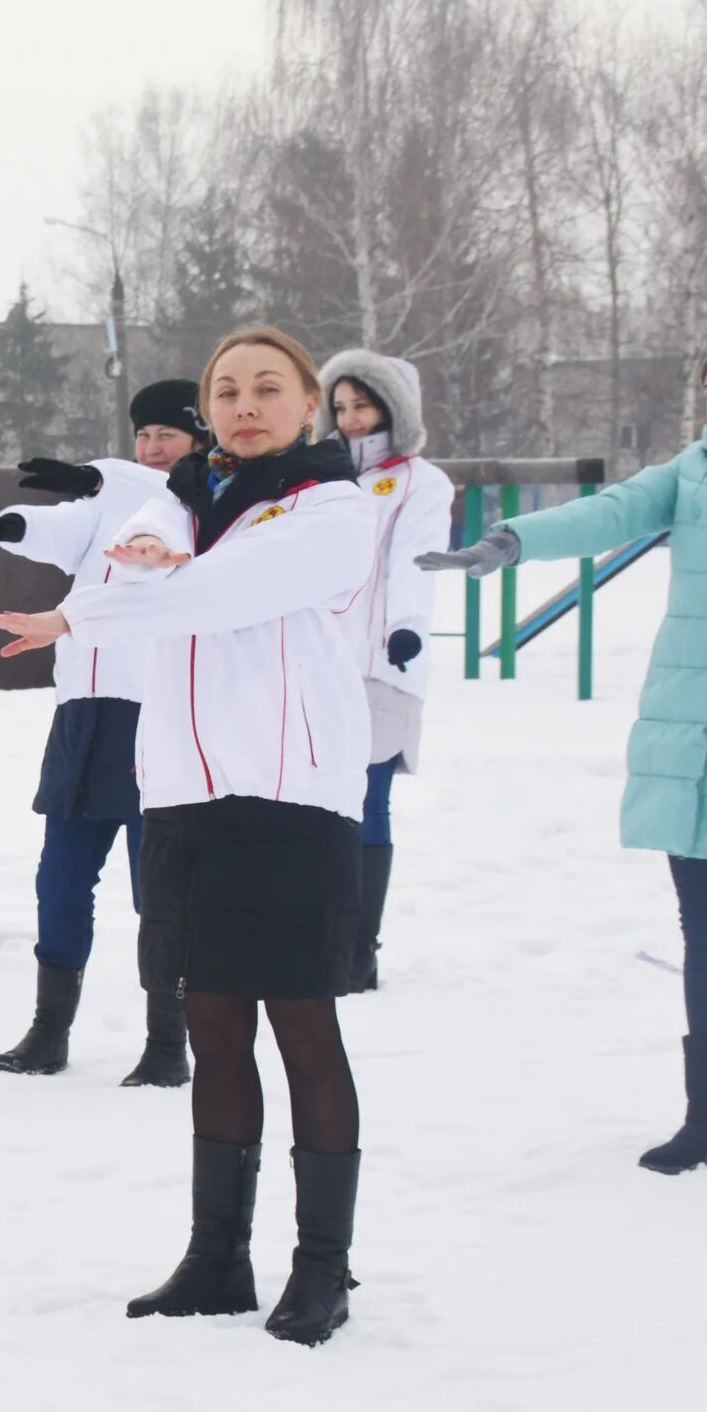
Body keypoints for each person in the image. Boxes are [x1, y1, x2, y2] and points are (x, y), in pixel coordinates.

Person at [0, 328, 378, 1346]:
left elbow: (222, 589)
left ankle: (322, 1267)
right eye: (228, 390)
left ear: (311, 402)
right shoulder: (188, 495)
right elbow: (151, 531)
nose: (246, 405)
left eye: (268, 389)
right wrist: (146, 549)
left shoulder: (333, 510)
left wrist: (85, 616)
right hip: (186, 795)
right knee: (212, 1027)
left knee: (302, 1031)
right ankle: (216, 1257)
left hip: (291, 798)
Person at [424, 325, 707, 1177]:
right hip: (690, 728)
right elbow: (612, 509)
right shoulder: (696, 471)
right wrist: (512, 542)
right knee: (704, 927)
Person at [0, 378, 207, 1084]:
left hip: (159, 719)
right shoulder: (114, 492)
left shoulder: (202, 501)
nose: (153, 446)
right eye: (143, 434)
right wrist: (13, 528)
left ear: (198, 440)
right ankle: (49, 1029)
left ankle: (166, 1042)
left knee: (161, 894)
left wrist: (109, 482)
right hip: (82, 714)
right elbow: (69, 528)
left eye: (168, 435)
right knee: (59, 881)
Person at [321, 349, 454, 993]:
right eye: (340, 406)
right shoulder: (320, 475)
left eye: (362, 405)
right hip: (320, 662)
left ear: (393, 409)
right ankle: (322, 933)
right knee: (321, 804)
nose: (349, 419)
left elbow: (415, 559)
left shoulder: (420, 481)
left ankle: (357, 948)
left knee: (369, 800)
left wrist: (406, 625)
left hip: (381, 660)